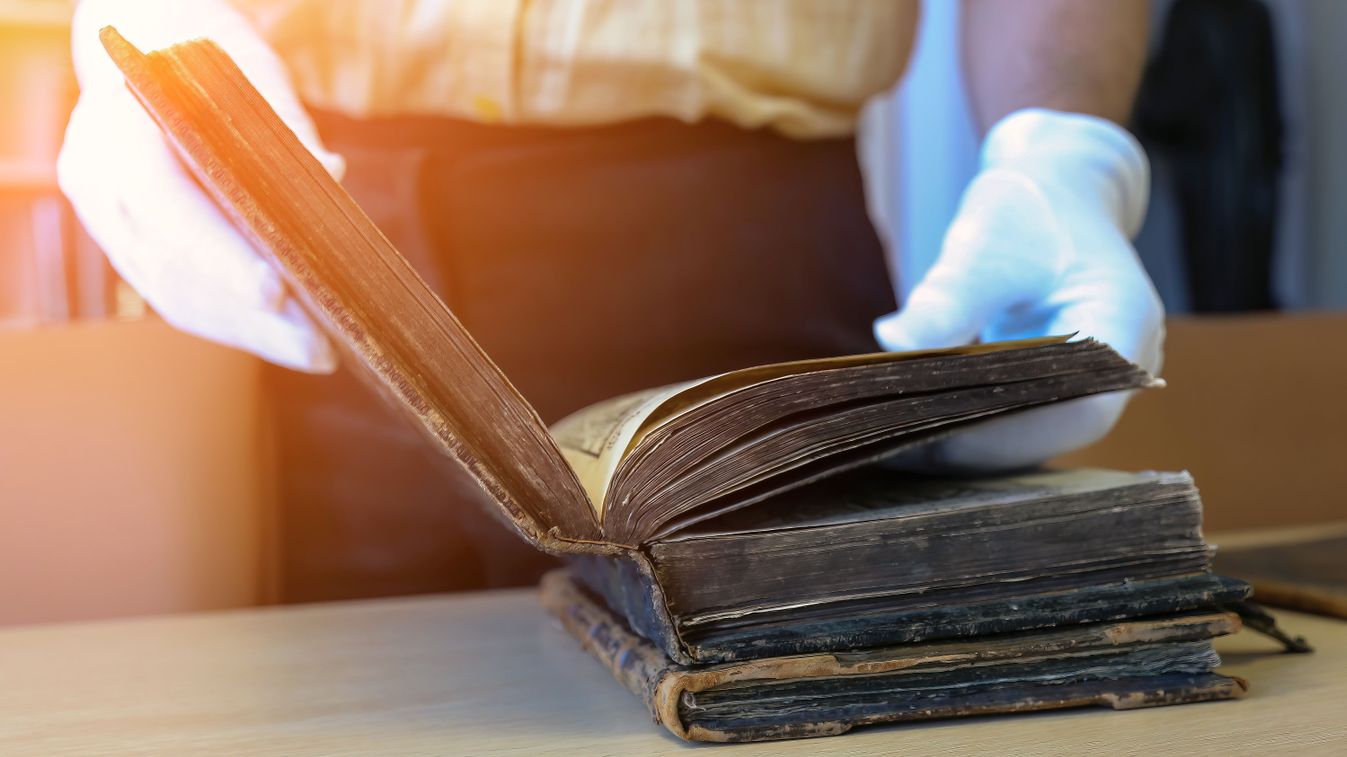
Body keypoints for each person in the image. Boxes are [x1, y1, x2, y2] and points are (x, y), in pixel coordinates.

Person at [58, 0, 1163, 599]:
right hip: (340, 235)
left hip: (743, 233)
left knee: (770, 685)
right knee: (368, 706)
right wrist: (142, 36)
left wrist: (1062, 146)